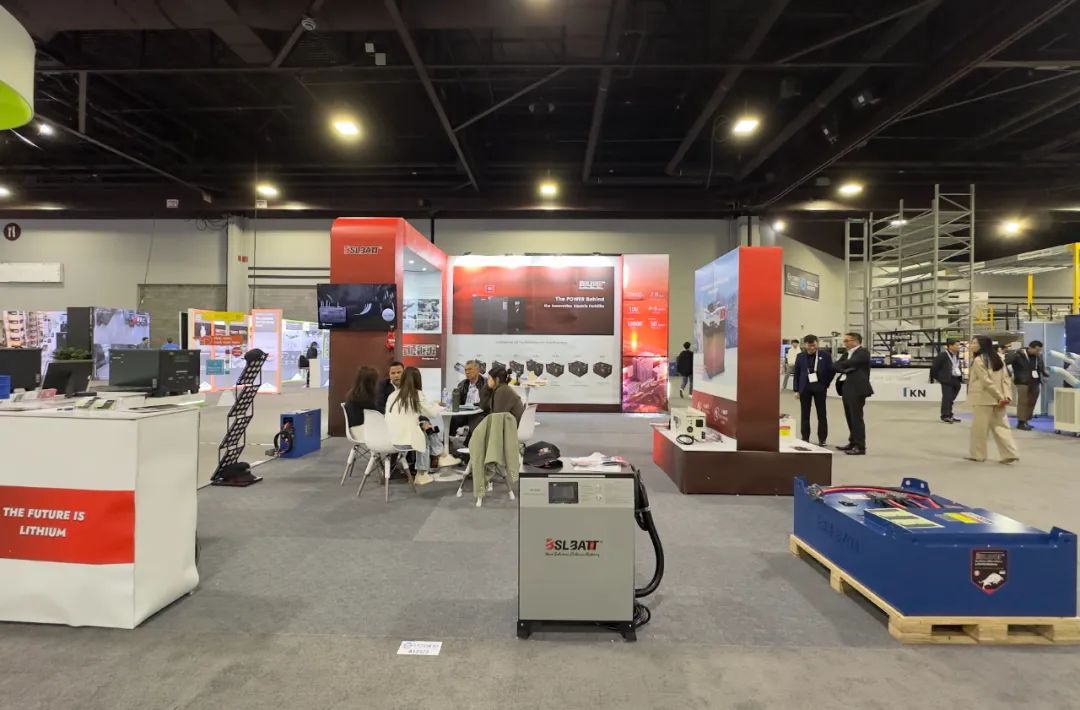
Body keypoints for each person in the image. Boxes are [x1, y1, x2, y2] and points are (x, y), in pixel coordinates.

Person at [385, 367, 443, 485]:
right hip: (404, 439)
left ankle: (438, 456)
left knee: (424, 426)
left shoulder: (393, 395)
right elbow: (431, 413)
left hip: (388, 437)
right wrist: (438, 405)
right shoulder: (417, 394)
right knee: (424, 434)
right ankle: (423, 472)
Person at [967, 335, 1019, 464]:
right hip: (999, 400)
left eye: (974, 343)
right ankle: (1010, 453)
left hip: (983, 399)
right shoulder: (999, 358)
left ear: (982, 345)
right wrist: (1006, 396)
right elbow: (1006, 379)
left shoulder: (979, 360)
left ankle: (978, 455)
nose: (971, 345)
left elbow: (986, 381)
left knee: (980, 429)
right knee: (1002, 427)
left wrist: (999, 397)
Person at [792, 334, 834, 446]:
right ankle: (805, 438)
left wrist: (826, 384)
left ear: (817, 343)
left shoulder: (825, 355)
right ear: (805, 345)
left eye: (814, 345)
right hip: (805, 387)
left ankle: (822, 439)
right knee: (805, 414)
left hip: (820, 387)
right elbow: (797, 373)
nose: (812, 348)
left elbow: (831, 370)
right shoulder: (800, 356)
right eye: (809, 345)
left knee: (822, 414)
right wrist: (796, 390)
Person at [835, 332, 873, 455]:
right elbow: (836, 365)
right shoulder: (847, 353)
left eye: (847, 341)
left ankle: (860, 446)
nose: (844, 343)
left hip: (857, 389)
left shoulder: (863, 352)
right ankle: (852, 442)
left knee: (856, 418)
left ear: (855, 341)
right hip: (847, 387)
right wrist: (845, 369)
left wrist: (845, 366)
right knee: (850, 417)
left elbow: (849, 363)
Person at [1008, 340, 1047, 431]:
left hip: (1035, 381)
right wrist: (1009, 374)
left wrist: (1045, 375)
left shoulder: (1038, 356)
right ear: (1030, 348)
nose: (1038, 352)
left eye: (1040, 350)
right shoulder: (1018, 355)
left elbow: (1041, 367)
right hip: (1022, 381)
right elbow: (1005, 363)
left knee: (1032, 401)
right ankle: (1021, 422)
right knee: (1023, 401)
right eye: (1037, 350)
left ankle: (1026, 420)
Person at [449, 359, 492, 439]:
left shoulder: (486, 383)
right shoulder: (462, 384)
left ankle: (469, 444)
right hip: (465, 413)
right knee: (453, 419)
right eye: (466, 370)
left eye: (470, 369)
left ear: (477, 370)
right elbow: (457, 401)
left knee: (476, 421)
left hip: (480, 413)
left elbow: (488, 402)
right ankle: (449, 440)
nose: (467, 372)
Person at [931, 339, 963, 423]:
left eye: (959, 345)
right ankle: (945, 415)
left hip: (955, 379)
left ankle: (949, 414)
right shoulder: (943, 355)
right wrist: (940, 378)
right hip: (946, 379)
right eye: (957, 345)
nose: (958, 347)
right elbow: (934, 368)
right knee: (947, 397)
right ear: (950, 346)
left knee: (951, 398)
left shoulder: (956, 355)